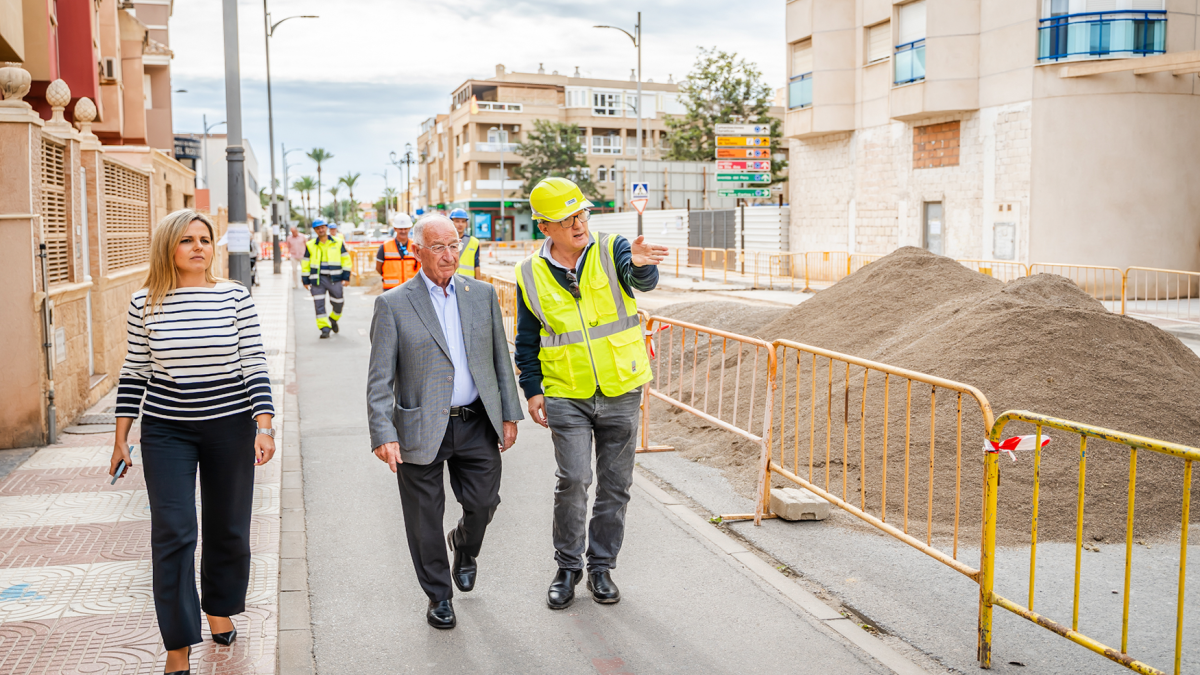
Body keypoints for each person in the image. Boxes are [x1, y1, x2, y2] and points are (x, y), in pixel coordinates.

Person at [109, 209, 276, 675]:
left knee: (228, 528)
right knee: (174, 532)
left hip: (229, 426)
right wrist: (121, 439)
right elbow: (135, 372)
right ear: (169, 248)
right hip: (167, 431)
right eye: (187, 240)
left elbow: (254, 364)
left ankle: (218, 608)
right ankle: (178, 644)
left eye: (205, 239)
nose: (199, 247)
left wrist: (264, 426)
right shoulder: (144, 303)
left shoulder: (234, 298)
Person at [513, 177, 668, 610]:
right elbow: (526, 338)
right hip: (567, 393)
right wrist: (532, 389)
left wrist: (639, 265)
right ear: (546, 227)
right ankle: (567, 567)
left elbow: (641, 278)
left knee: (616, 486)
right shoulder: (529, 273)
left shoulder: (611, 247)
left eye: (581, 213)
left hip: (621, 387)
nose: (578, 223)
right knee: (574, 481)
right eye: (567, 218)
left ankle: (601, 568)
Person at [367, 214, 523, 630]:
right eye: (438, 247)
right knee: (423, 519)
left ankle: (465, 546)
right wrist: (383, 433)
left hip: (476, 422)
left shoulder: (483, 294)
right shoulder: (393, 303)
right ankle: (439, 595)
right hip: (420, 427)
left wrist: (510, 413)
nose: (450, 254)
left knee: (484, 502)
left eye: (455, 244)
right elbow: (380, 379)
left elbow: (499, 361)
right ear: (417, 252)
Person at [301, 218, 351, 339]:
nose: (320, 230)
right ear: (315, 230)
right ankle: (324, 328)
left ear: (326, 228)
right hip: (317, 279)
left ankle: (333, 319)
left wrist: (346, 277)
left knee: (339, 303)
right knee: (319, 304)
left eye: (322, 227)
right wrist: (305, 280)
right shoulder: (310, 244)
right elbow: (306, 262)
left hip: (335, 279)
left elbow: (346, 259)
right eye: (318, 228)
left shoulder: (338, 242)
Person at [375, 213, 420, 290]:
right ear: (395, 229)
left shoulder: (416, 246)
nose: (403, 231)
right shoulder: (385, 246)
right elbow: (378, 267)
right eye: (400, 229)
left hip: (412, 288)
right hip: (390, 289)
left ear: (409, 228)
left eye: (405, 228)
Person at [449, 208, 482, 278]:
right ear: (451, 222)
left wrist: (479, 285)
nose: (460, 224)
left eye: (463, 221)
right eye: (457, 221)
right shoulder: (445, 241)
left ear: (466, 224)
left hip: (468, 283)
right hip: (449, 281)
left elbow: (476, 264)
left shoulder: (474, 242)